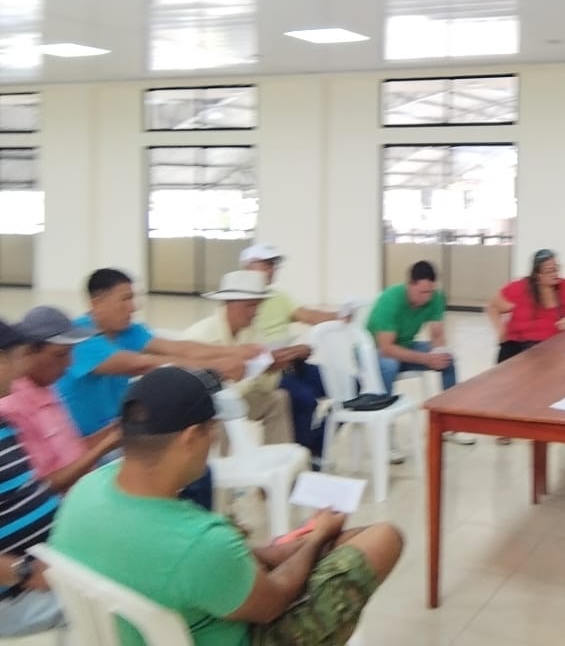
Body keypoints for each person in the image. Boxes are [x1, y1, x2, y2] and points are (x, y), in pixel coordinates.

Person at [50, 365, 404, 646]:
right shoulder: (201, 543)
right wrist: (316, 538)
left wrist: (284, 549)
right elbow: (274, 602)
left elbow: (183, 556)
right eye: (212, 429)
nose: (214, 438)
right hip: (245, 629)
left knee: (333, 541)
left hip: (140, 626)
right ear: (191, 437)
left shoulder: (87, 490)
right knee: (383, 537)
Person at [55, 268, 253, 439]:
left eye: (132, 298)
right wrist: (217, 367)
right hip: (85, 442)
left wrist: (235, 351)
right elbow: (141, 365)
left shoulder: (128, 331)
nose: (133, 307)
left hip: (116, 431)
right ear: (97, 303)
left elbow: (177, 348)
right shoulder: (80, 337)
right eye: (125, 299)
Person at [0, 306, 121, 492]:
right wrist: (105, 445)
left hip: (87, 486)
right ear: (29, 352)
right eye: (60, 354)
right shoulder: (13, 407)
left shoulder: (46, 389)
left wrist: (111, 432)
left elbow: (71, 452)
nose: (70, 363)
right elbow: (40, 487)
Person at [0, 319, 66, 638]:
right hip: (16, 593)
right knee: (119, 598)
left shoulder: (3, 423)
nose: (20, 372)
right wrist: (23, 570)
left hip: (49, 561)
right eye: (17, 359)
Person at [365, 261, 475, 447]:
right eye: (422, 292)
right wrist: (426, 359)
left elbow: (437, 335)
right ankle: (385, 434)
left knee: (447, 359)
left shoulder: (435, 297)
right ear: (410, 284)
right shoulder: (390, 300)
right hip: (373, 352)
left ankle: (450, 425)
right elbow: (387, 348)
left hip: (405, 346)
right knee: (389, 365)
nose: (427, 297)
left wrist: (438, 354)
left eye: (430, 292)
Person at [241, 244, 336, 456]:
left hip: (291, 362)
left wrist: (339, 316)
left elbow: (308, 315)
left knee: (350, 385)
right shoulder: (239, 303)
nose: (271, 269)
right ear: (247, 267)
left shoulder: (279, 296)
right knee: (304, 398)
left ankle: (315, 447)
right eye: (265, 264)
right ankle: (302, 454)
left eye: (273, 265)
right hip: (267, 371)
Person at [182, 271, 295, 447]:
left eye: (258, 305)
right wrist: (252, 369)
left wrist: (271, 369)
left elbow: (264, 388)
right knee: (223, 411)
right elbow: (197, 392)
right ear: (230, 303)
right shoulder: (202, 336)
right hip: (205, 406)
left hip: (237, 396)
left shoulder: (252, 332)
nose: (255, 312)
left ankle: (279, 454)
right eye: (250, 306)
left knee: (277, 399)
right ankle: (223, 462)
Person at [486, 248, 565, 362]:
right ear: (537, 275)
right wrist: (501, 332)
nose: (555, 274)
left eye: (556, 269)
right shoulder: (519, 288)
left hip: (555, 348)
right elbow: (493, 307)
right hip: (518, 346)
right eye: (549, 271)